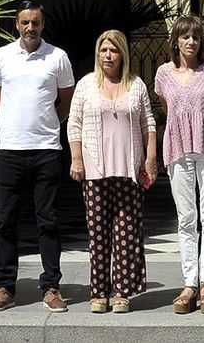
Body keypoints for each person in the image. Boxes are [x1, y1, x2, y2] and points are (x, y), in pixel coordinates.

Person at [0, 0, 75, 313]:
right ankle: (5, 287)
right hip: (10, 149)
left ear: (42, 24)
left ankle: (51, 286)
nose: (30, 28)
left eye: (35, 22)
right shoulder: (2, 56)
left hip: (47, 150)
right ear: (17, 24)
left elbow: (66, 99)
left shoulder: (58, 58)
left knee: (47, 221)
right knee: (6, 221)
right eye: (25, 22)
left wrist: (48, 124)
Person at [69, 29, 159, 313]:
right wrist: (76, 159)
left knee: (128, 232)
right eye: (104, 50)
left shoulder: (136, 85)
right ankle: (98, 292)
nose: (108, 56)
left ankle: (122, 291)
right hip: (95, 170)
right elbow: (74, 124)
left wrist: (151, 159)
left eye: (113, 50)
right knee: (98, 234)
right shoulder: (86, 85)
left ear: (123, 54)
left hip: (129, 169)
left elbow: (149, 124)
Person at [152, 14, 204, 315]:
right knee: (186, 218)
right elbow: (166, 108)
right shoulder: (162, 74)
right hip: (178, 147)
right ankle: (189, 284)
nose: (191, 42)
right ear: (175, 41)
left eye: (195, 37)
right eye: (185, 37)